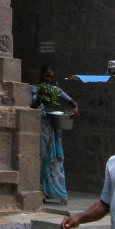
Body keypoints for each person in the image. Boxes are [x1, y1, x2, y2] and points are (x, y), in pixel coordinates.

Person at [30, 64, 78, 204]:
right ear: (41, 74)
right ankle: (43, 192)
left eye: (51, 77)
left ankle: (61, 194)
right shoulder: (33, 89)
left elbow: (73, 102)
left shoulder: (54, 90)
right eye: (47, 76)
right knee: (40, 160)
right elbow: (30, 106)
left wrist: (74, 109)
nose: (49, 79)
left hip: (51, 130)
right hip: (37, 129)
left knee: (54, 160)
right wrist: (39, 101)